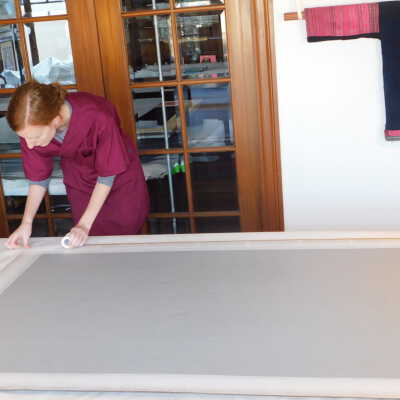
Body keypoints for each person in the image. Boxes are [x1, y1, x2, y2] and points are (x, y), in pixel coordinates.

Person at [5, 81, 149, 249]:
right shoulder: (31, 128)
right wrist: (26, 223)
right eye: (25, 138)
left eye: (34, 138)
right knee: (87, 243)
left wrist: (84, 225)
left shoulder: (97, 116)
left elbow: (107, 175)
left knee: (122, 243)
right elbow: (38, 178)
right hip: (79, 180)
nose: (29, 145)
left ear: (56, 120)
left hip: (118, 179)